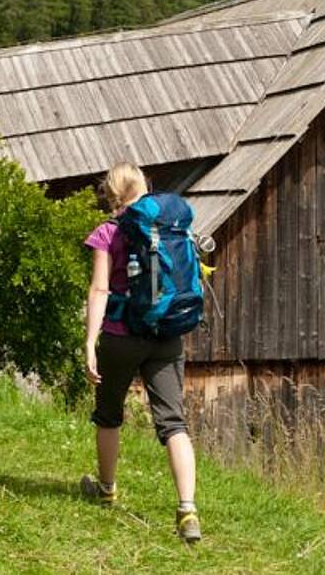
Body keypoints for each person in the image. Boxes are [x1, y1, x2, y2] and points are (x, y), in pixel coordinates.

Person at [78, 163, 203, 543]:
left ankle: (107, 488)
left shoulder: (107, 232)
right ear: (145, 188)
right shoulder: (169, 226)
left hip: (121, 336)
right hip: (166, 333)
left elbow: (100, 290)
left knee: (109, 414)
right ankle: (187, 509)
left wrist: (89, 341)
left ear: (111, 194)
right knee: (173, 423)